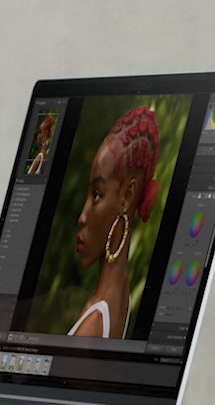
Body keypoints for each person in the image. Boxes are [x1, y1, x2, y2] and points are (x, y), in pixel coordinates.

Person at [69, 105, 161, 338]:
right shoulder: (122, 302)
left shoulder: (94, 324)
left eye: (97, 194)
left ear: (127, 196)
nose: (82, 216)